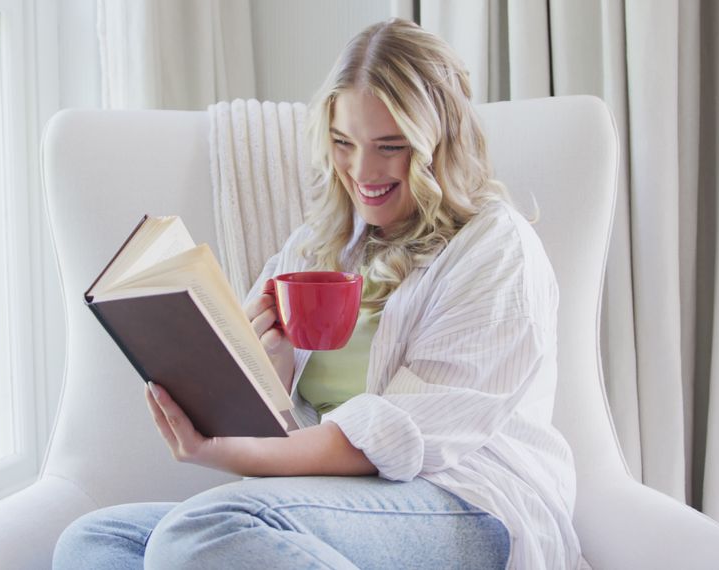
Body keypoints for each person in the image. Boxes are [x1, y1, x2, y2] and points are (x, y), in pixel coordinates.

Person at [54, 18, 582, 569]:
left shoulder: (496, 247)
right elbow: (275, 422)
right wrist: (269, 374)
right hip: (331, 497)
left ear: (438, 144)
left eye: (390, 146)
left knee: (199, 533)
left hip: (468, 500)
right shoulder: (316, 247)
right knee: (96, 540)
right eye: (343, 142)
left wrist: (246, 455)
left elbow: (406, 438)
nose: (362, 170)